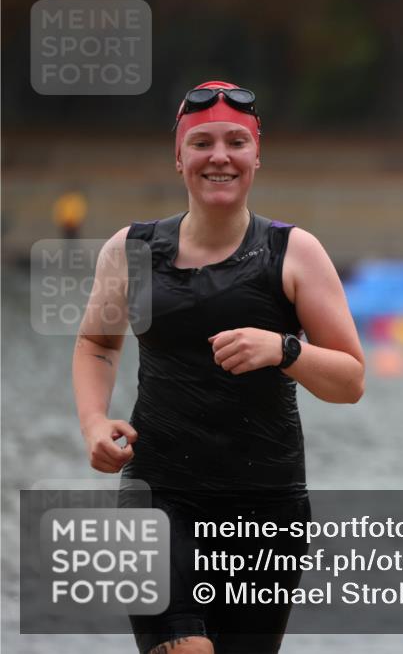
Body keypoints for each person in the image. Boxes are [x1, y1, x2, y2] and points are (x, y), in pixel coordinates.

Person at [72, 81, 365, 654]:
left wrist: (285, 350)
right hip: (159, 490)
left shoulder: (295, 253)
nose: (220, 156)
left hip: (267, 506)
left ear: (257, 155)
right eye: (202, 142)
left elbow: (351, 380)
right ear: (178, 156)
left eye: (236, 142)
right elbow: (97, 345)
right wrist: (91, 420)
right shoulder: (129, 251)